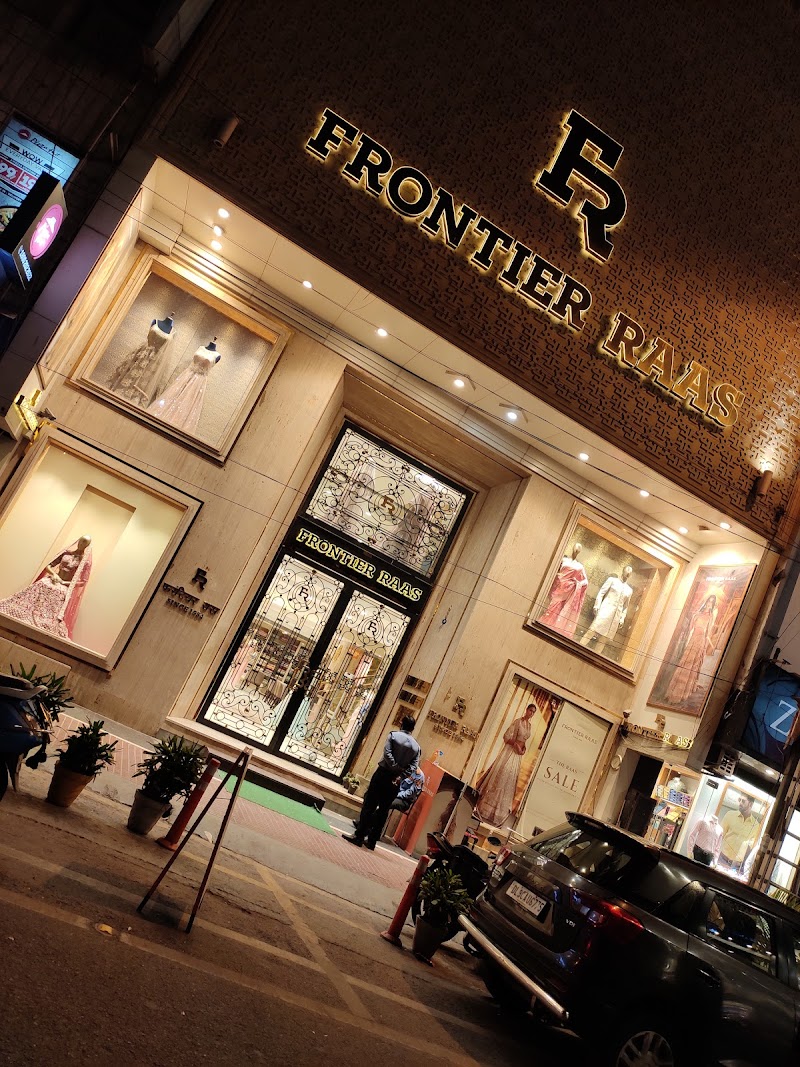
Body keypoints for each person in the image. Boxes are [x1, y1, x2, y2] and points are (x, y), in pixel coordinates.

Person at [344, 715, 421, 850]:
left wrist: (394, 767)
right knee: (384, 810)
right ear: (412, 728)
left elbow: (387, 754)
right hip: (396, 780)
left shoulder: (393, 736)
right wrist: (401, 774)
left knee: (370, 805)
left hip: (383, 774)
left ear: (401, 724)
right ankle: (372, 841)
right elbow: (414, 766)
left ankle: (359, 836)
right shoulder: (416, 747)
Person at [0, 535, 92, 640]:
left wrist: (64, 582)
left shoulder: (85, 562)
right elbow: (49, 565)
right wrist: (54, 575)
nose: (81, 544)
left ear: (87, 545)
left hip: (64, 586)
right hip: (52, 579)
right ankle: (23, 611)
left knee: (58, 593)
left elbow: (83, 582)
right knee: (42, 584)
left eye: (84, 543)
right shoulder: (66, 553)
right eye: (81, 541)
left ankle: (42, 620)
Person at [474, 703, 537, 827]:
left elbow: (524, 740)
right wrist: (515, 745)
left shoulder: (529, 726)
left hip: (517, 755)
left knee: (509, 781)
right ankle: (485, 810)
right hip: (510, 752)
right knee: (500, 778)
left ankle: (499, 814)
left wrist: (523, 748)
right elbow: (506, 736)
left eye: (533, 712)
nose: (531, 713)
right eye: (530, 710)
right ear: (526, 710)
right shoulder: (518, 722)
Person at [664, 594, 718, 706]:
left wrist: (710, 645)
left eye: (712, 602)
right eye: (709, 601)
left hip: (701, 641)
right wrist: (687, 641)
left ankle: (684, 692)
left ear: (713, 605)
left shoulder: (710, 616)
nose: (709, 604)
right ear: (706, 602)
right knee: (684, 664)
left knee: (692, 666)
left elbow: (707, 633)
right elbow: (690, 630)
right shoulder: (697, 614)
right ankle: (674, 693)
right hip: (693, 639)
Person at [579, 565, 633, 655]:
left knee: (603, 639)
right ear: (623, 571)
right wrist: (597, 606)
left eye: (629, 573)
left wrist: (622, 618)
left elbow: (626, 606)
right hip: (605, 611)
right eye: (626, 572)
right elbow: (601, 593)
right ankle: (579, 649)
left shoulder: (629, 590)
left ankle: (595, 658)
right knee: (591, 631)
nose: (627, 574)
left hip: (615, 617)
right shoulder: (612, 580)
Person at [538, 542, 589, 637]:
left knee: (558, 610)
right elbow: (553, 571)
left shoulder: (580, 566)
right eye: (576, 548)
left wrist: (575, 584)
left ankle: (551, 630)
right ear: (573, 549)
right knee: (549, 606)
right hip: (557, 586)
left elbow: (585, 582)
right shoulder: (563, 560)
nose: (576, 550)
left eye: (578, 549)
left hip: (568, 590)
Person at [718, 795, 760, 875]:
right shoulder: (730, 815)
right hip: (722, 858)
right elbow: (719, 835)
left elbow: (751, 848)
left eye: (743, 801)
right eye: (739, 800)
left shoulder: (756, 825)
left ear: (750, 804)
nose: (740, 803)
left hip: (737, 866)